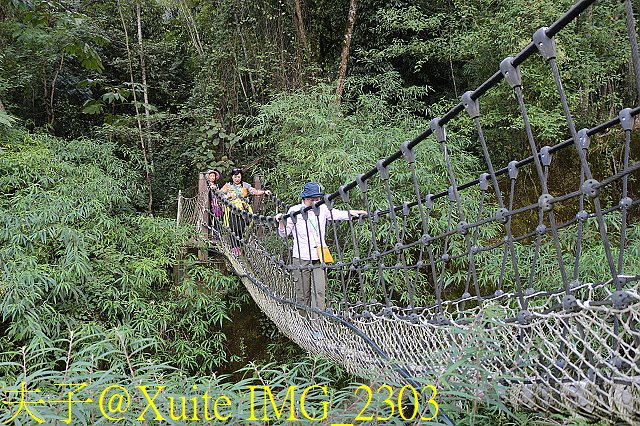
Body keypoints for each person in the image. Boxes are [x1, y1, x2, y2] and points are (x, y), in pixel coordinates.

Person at [275, 182, 366, 315]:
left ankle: (317, 327)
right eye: (312, 200)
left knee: (319, 291)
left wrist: (351, 213)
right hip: (301, 258)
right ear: (305, 198)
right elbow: (284, 233)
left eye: (317, 199)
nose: (315, 203)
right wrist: (282, 221)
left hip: (319, 257)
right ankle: (303, 325)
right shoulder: (294, 211)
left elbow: (336, 214)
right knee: (302, 293)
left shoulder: (322, 208)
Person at [220, 167, 271, 256]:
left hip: (243, 210)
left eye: (239, 177)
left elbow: (254, 192)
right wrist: (229, 196)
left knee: (240, 228)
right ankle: (234, 248)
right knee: (233, 229)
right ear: (232, 177)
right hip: (232, 210)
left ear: (241, 177)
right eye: (235, 177)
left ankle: (238, 245)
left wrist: (264, 192)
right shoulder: (227, 186)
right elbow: (220, 194)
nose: (237, 179)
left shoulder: (245, 185)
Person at [206, 169, 222, 241]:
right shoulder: (205, 185)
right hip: (209, 205)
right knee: (208, 220)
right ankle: (207, 235)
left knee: (217, 221)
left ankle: (217, 236)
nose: (212, 177)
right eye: (211, 176)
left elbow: (221, 193)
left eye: (213, 176)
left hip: (217, 205)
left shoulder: (217, 185)